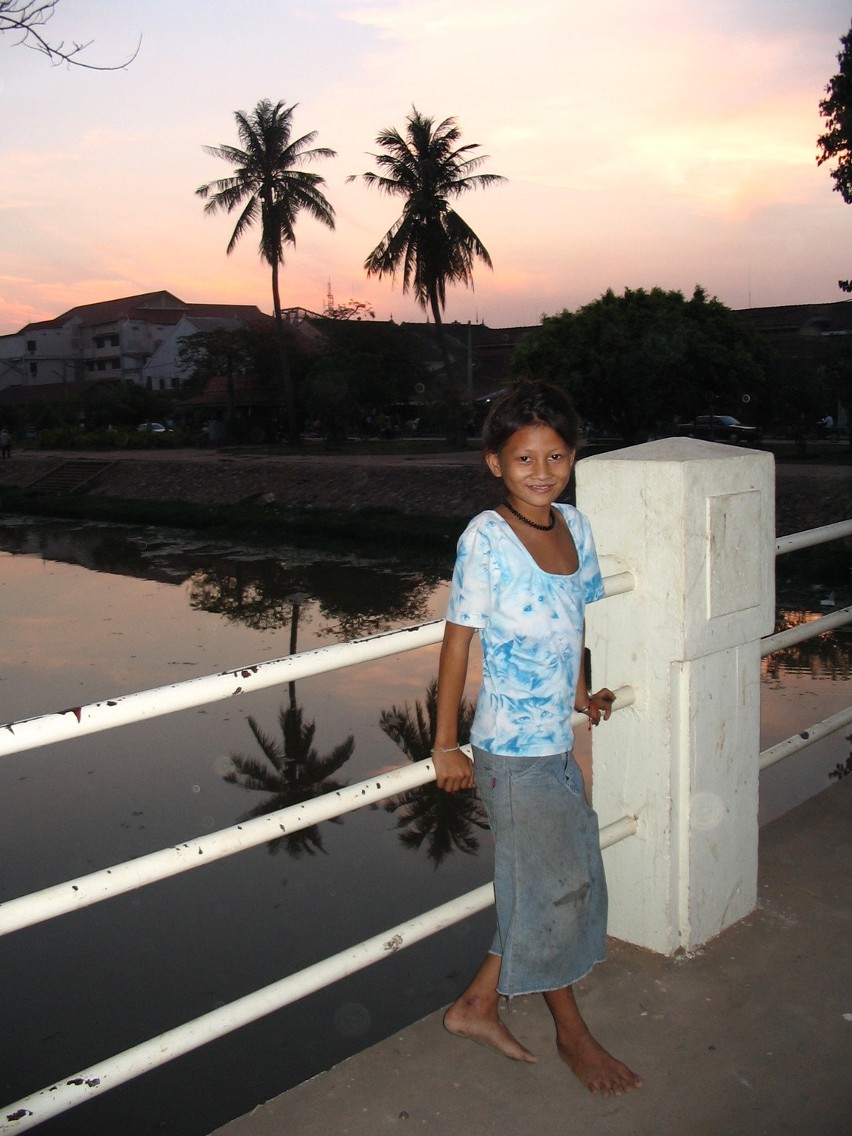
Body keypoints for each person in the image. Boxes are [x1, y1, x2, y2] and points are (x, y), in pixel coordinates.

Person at [433, 380, 641, 1096]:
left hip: (557, 742)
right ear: (496, 463)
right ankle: (572, 1035)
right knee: (554, 888)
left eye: (556, 456)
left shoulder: (576, 528)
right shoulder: (484, 538)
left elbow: (570, 623)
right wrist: (444, 743)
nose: (542, 471)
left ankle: (476, 1006)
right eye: (525, 459)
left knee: (556, 877)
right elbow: (457, 646)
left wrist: (584, 691)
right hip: (511, 755)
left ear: (574, 457)